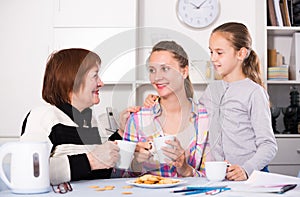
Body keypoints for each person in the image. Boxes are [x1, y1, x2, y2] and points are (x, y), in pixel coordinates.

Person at [143, 22, 278, 181]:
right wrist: (158, 100)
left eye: (219, 53)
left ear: (241, 54)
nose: (213, 58)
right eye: (211, 52)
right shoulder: (213, 90)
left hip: (251, 176)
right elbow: (193, 111)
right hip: (222, 176)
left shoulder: (254, 93)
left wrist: (246, 169)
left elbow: (269, 146)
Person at [20, 48, 127, 185]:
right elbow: (30, 171)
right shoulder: (43, 116)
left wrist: (121, 132)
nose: (101, 83)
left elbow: (102, 165)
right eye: (95, 76)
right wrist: (92, 161)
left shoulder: (90, 120)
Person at [123, 41, 210, 177]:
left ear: (184, 71)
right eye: (152, 70)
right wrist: (136, 163)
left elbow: (215, 178)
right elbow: (120, 178)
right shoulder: (137, 119)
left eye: (165, 69)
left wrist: (186, 169)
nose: (157, 77)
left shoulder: (206, 119)